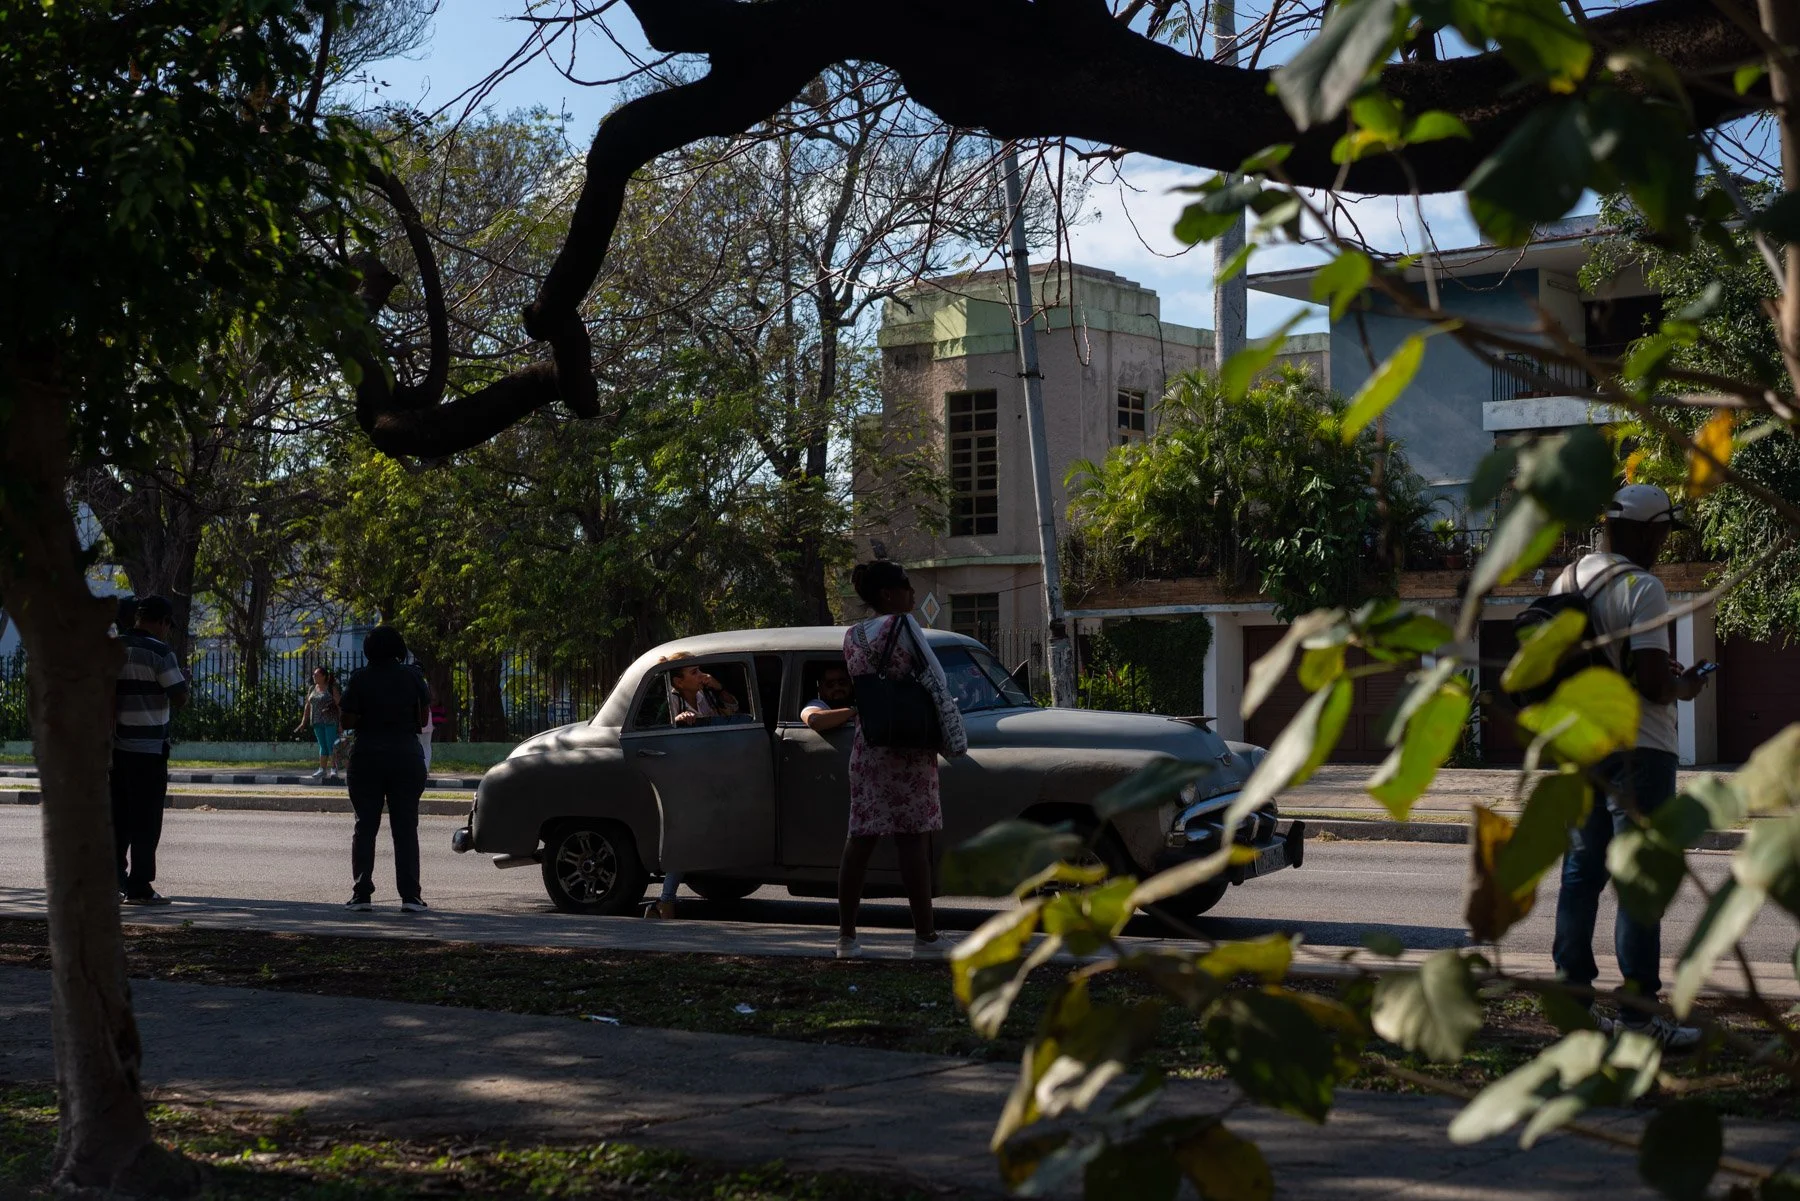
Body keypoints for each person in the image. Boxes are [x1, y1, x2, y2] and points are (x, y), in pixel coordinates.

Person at [1550, 484, 1714, 1049]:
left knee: (1580, 874)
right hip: (1639, 751)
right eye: (1665, 534)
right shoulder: (1642, 587)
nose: (1666, 546)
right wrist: (1685, 686)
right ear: (1646, 531)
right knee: (1638, 883)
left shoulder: (1567, 580)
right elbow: (1650, 684)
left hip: (1579, 747)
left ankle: (1573, 1007)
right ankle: (1640, 1020)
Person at [837, 560, 968, 960]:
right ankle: (924, 938)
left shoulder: (852, 635)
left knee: (860, 839)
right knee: (913, 840)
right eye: (907, 587)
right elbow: (937, 679)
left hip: (869, 745)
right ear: (889, 595)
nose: (913, 594)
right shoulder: (903, 625)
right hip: (908, 748)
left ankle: (846, 938)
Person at [339, 625, 431, 913]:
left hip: (367, 756)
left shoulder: (359, 679)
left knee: (365, 826)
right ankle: (410, 896)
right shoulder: (413, 677)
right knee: (405, 828)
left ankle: (361, 893)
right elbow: (423, 717)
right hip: (405, 755)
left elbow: (348, 720)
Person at [112, 595, 188, 905]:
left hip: (114, 748)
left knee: (118, 818)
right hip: (148, 749)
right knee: (146, 821)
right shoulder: (160, 652)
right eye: (169, 625)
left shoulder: (113, 648)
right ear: (162, 621)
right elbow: (179, 696)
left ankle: (114, 881)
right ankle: (140, 886)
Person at [294, 666, 343, 782]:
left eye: (316, 675)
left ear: (324, 676)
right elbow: (307, 705)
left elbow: (340, 706)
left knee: (332, 745)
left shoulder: (331, 688)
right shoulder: (312, 688)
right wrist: (303, 722)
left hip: (330, 721)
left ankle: (334, 769)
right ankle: (322, 769)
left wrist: (341, 723)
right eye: (313, 675)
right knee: (322, 745)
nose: (314, 677)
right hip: (317, 722)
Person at [801, 664, 857, 733]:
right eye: (830, 684)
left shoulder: (859, 701)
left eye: (842, 682)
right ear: (821, 689)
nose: (837, 688)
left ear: (850, 685)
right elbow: (814, 720)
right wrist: (854, 711)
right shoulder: (817, 704)